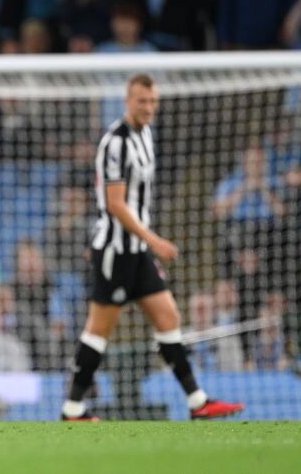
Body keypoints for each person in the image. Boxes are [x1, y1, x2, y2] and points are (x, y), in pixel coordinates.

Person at [60, 73, 243, 421]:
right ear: (128, 101)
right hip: (116, 251)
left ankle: (197, 401)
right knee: (99, 330)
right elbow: (115, 204)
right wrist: (154, 241)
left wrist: (145, 244)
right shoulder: (115, 142)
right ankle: (72, 408)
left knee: (169, 316)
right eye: (142, 101)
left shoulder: (146, 136)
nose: (149, 108)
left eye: (153, 102)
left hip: (135, 250)